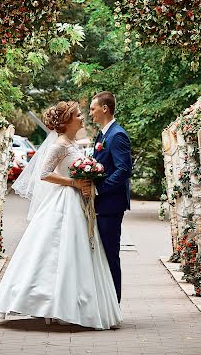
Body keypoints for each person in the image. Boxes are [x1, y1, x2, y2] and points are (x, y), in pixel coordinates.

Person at [0, 101, 122, 330]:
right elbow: (44, 173)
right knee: (55, 251)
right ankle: (51, 304)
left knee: (76, 253)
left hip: (77, 202)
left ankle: (72, 305)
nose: (82, 118)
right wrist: (74, 182)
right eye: (78, 115)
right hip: (63, 202)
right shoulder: (59, 145)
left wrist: (88, 181)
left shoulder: (72, 143)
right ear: (67, 120)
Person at [89, 91, 132, 304]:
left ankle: (114, 304)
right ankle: (104, 303)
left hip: (110, 205)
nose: (90, 113)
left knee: (110, 255)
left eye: (92, 108)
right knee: (102, 255)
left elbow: (123, 170)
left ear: (104, 108)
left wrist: (99, 189)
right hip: (101, 205)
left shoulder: (117, 135)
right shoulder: (103, 135)